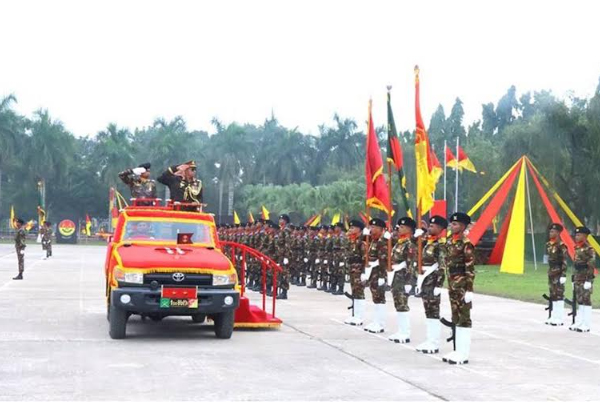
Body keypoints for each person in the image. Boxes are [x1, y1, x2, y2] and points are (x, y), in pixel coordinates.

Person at [442, 212, 475, 365]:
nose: (452, 226)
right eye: (451, 224)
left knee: (464, 317)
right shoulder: (449, 241)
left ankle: (464, 353)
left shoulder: (466, 243)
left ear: (463, 226)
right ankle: (456, 350)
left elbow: (469, 268)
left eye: (455, 224)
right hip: (452, 284)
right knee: (455, 316)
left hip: (462, 284)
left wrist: (469, 289)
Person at [415, 215, 447, 354]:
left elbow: (442, 266)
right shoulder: (427, 242)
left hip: (432, 280)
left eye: (433, 226)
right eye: (430, 225)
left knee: (434, 311)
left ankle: (434, 343)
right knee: (428, 310)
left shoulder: (440, 245)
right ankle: (429, 340)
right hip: (424, 280)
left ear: (440, 229)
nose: (430, 227)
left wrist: (439, 285)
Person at [388, 217, 417, 343]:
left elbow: (411, 264)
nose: (399, 228)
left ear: (409, 229)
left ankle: (405, 333)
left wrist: (409, 282)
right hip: (396, 275)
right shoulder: (399, 243)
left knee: (402, 303)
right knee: (398, 303)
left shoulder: (409, 244)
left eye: (402, 227)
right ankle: (401, 330)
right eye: (399, 226)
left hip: (402, 277)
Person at [363, 218, 390, 334]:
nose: (371, 229)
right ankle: (376, 321)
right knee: (375, 297)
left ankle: (380, 323)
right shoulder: (372, 240)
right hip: (372, 272)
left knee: (380, 298)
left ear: (381, 229)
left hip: (378, 271)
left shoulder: (382, 241)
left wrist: (382, 276)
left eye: (374, 227)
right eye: (371, 227)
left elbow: (383, 260)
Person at [569, 226, 595, 333]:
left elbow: (591, 265)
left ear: (585, 236)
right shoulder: (577, 248)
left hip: (585, 277)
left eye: (579, 235)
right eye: (576, 234)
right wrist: (573, 278)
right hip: (578, 277)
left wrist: (589, 280)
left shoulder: (589, 249)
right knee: (579, 299)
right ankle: (580, 321)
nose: (576, 236)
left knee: (586, 300)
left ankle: (586, 324)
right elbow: (575, 264)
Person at [344, 220, 366, 325]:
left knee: (359, 292)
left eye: (353, 228)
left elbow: (365, 257)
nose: (350, 230)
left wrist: (364, 271)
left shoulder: (362, 240)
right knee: (354, 292)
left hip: (359, 269)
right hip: (352, 269)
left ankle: (359, 317)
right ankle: (355, 315)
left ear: (359, 229)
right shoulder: (352, 240)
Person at [545, 223, 568, 326]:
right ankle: (553, 316)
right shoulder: (549, 245)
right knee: (552, 294)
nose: (550, 233)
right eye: (550, 231)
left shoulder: (561, 246)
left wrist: (563, 274)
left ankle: (559, 317)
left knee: (559, 294)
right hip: (551, 272)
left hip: (559, 272)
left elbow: (564, 261)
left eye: (553, 231)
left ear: (558, 233)